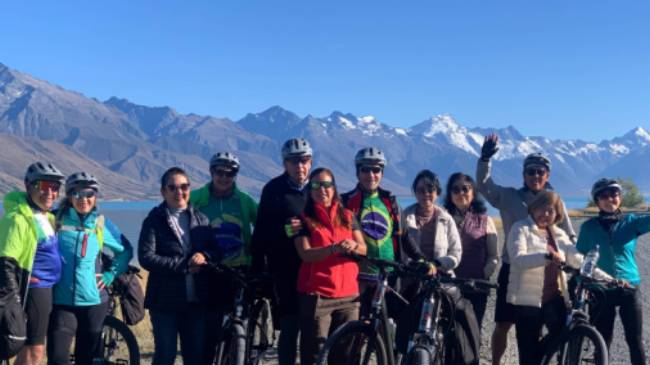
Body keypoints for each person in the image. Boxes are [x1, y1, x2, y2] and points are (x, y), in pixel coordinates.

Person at [476, 134, 576, 365]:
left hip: (546, 273)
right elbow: (484, 185)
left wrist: (572, 260)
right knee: (503, 323)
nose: (535, 176)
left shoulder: (554, 200)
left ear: (547, 175)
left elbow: (569, 234)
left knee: (544, 326)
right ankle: (497, 362)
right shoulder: (509, 196)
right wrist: (484, 159)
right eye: (531, 172)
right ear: (524, 175)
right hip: (513, 269)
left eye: (540, 172)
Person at [507, 191, 611, 365]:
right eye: (541, 208)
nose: (545, 214)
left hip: (554, 298)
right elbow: (517, 259)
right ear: (533, 208)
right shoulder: (520, 228)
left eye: (551, 211)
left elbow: (580, 261)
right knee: (527, 353)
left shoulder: (559, 235)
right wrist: (546, 256)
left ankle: (540, 357)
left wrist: (609, 279)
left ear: (557, 215)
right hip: (527, 301)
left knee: (562, 334)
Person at [47, 172, 133, 365]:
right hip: (62, 300)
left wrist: (110, 274)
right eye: (77, 194)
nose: (83, 199)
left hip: (94, 301)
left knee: (85, 359)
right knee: (57, 358)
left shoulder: (100, 223)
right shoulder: (55, 219)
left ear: (95, 197)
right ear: (69, 196)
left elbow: (126, 250)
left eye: (89, 194)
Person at [138, 167, 217, 365]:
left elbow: (215, 251)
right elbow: (146, 257)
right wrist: (183, 266)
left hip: (195, 301)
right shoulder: (154, 220)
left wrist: (204, 255)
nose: (179, 192)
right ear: (163, 192)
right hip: (165, 303)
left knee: (194, 357)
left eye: (184, 186)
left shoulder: (201, 219)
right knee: (166, 355)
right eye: (172, 187)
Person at [189, 152, 258, 365]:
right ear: (211, 172)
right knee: (210, 329)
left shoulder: (244, 201)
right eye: (220, 172)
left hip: (239, 270)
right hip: (209, 271)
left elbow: (264, 226)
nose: (225, 177)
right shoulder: (197, 198)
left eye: (231, 173)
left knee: (240, 325)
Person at [294, 167, 367, 365]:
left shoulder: (349, 216)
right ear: (310, 190)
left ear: (334, 188)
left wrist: (353, 246)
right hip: (318, 298)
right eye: (316, 185)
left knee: (345, 356)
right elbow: (305, 254)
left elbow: (363, 249)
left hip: (350, 298)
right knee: (315, 356)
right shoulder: (300, 219)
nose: (322, 190)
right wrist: (332, 249)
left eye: (327, 185)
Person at [251, 138, 313, 365]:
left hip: (314, 269)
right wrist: (258, 268)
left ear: (311, 161)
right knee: (289, 326)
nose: (300, 166)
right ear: (284, 164)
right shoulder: (273, 190)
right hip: (285, 270)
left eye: (304, 161)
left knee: (311, 329)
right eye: (293, 161)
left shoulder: (319, 189)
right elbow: (261, 231)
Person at [576, 179, 650, 365]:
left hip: (629, 286)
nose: (610, 199)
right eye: (604, 196)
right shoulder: (588, 228)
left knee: (635, 341)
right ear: (597, 201)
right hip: (600, 289)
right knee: (602, 340)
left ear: (620, 197)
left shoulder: (631, 222)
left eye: (614, 194)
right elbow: (580, 258)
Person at [341, 147, 422, 315]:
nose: (371, 175)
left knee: (388, 328)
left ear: (382, 173)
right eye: (365, 170)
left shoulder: (390, 203)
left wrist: (421, 259)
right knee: (357, 329)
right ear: (357, 172)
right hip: (358, 277)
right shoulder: (345, 202)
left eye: (376, 170)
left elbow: (405, 237)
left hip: (389, 276)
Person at [0, 162, 65, 365]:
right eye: (43, 186)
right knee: (34, 351)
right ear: (28, 186)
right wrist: (15, 302)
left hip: (47, 289)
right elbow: (5, 262)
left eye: (55, 187)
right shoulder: (17, 219)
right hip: (33, 290)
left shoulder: (47, 216)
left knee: (30, 350)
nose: (50, 192)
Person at [443, 172, 498, 328]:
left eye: (465, 189)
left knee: (472, 331)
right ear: (450, 194)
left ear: (473, 192)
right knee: (447, 331)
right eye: (455, 189)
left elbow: (493, 255)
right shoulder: (442, 219)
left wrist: (482, 275)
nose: (461, 193)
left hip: (476, 287)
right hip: (447, 286)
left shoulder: (486, 221)